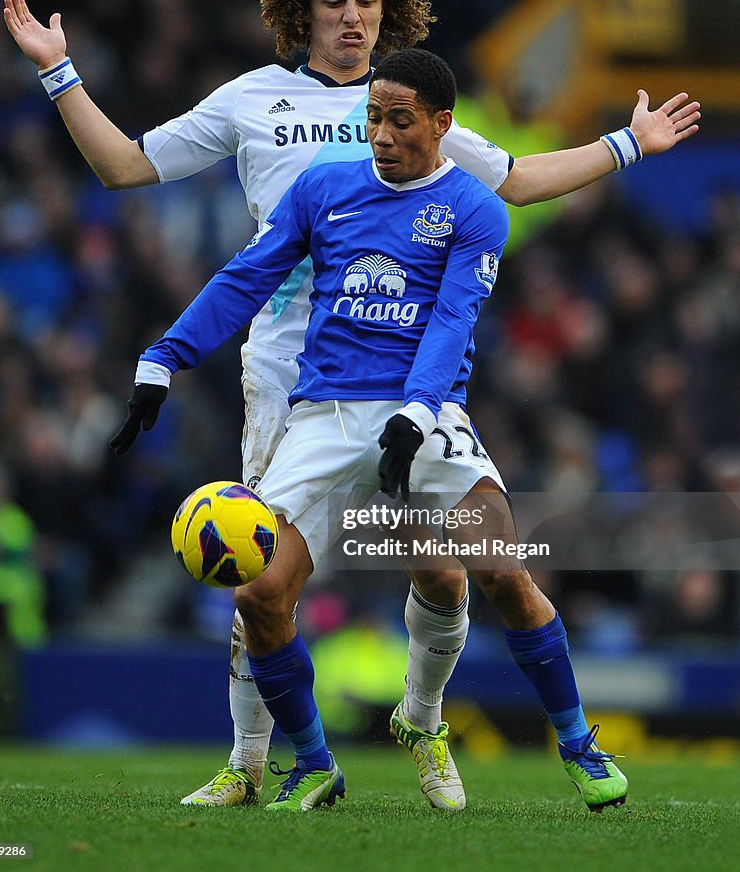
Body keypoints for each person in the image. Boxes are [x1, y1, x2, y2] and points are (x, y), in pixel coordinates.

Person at [3, 0, 700, 810]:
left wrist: (628, 144)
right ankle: (253, 763)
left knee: (442, 571)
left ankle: (423, 719)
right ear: (303, 10)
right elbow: (125, 165)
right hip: (286, 373)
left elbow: (516, 180)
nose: (351, 19)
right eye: (334, 2)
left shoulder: (409, 102)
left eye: (366, 3)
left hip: (406, 366)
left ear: (388, 11)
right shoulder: (254, 99)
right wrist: (59, 72)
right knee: (252, 567)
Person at [110, 49, 629, 812]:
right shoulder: (325, 189)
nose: (380, 134)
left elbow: (453, 320)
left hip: (427, 414)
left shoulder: (474, 208)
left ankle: (577, 744)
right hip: (323, 415)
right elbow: (247, 275)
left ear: (443, 125)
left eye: (399, 120)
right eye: (373, 117)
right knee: (260, 593)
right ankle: (316, 763)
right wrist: (164, 356)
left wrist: (416, 414)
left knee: (502, 576)